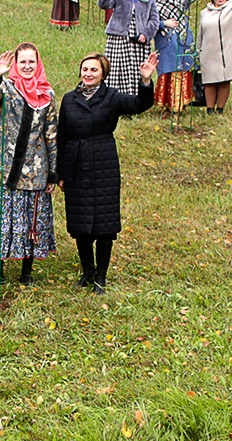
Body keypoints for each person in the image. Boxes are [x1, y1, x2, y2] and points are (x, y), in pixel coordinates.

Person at [56, 50, 159, 293]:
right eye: (85, 69)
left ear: (103, 73)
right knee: (80, 223)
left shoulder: (112, 97)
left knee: (105, 224)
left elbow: (140, 104)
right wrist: (59, 173)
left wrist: (145, 80)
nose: (88, 73)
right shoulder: (69, 99)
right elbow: (62, 136)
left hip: (103, 164)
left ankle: (100, 277)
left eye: (94, 69)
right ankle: (87, 273)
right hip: (76, 164)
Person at [0, 43, 58, 285]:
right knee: (1, 218)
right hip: (5, 167)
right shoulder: (8, 88)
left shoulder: (48, 94)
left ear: (38, 63)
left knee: (31, 220)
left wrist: (52, 172)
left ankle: (26, 271)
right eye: (23, 62)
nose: (27, 66)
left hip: (34, 169)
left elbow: (51, 134)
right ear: (16, 64)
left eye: (32, 62)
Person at [97, 0, 158, 95]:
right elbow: (103, 4)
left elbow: (154, 19)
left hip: (139, 41)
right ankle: (113, 97)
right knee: (115, 69)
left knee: (137, 70)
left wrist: (146, 34)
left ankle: (135, 98)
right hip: (118, 37)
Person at [151, 0, 201, 116]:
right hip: (165, 40)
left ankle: (181, 103)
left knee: (182, 69)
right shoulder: (153, 1)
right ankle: (166, 104)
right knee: (168, 70)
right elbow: (149, 21)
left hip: (182, 38)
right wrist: (163, 23)